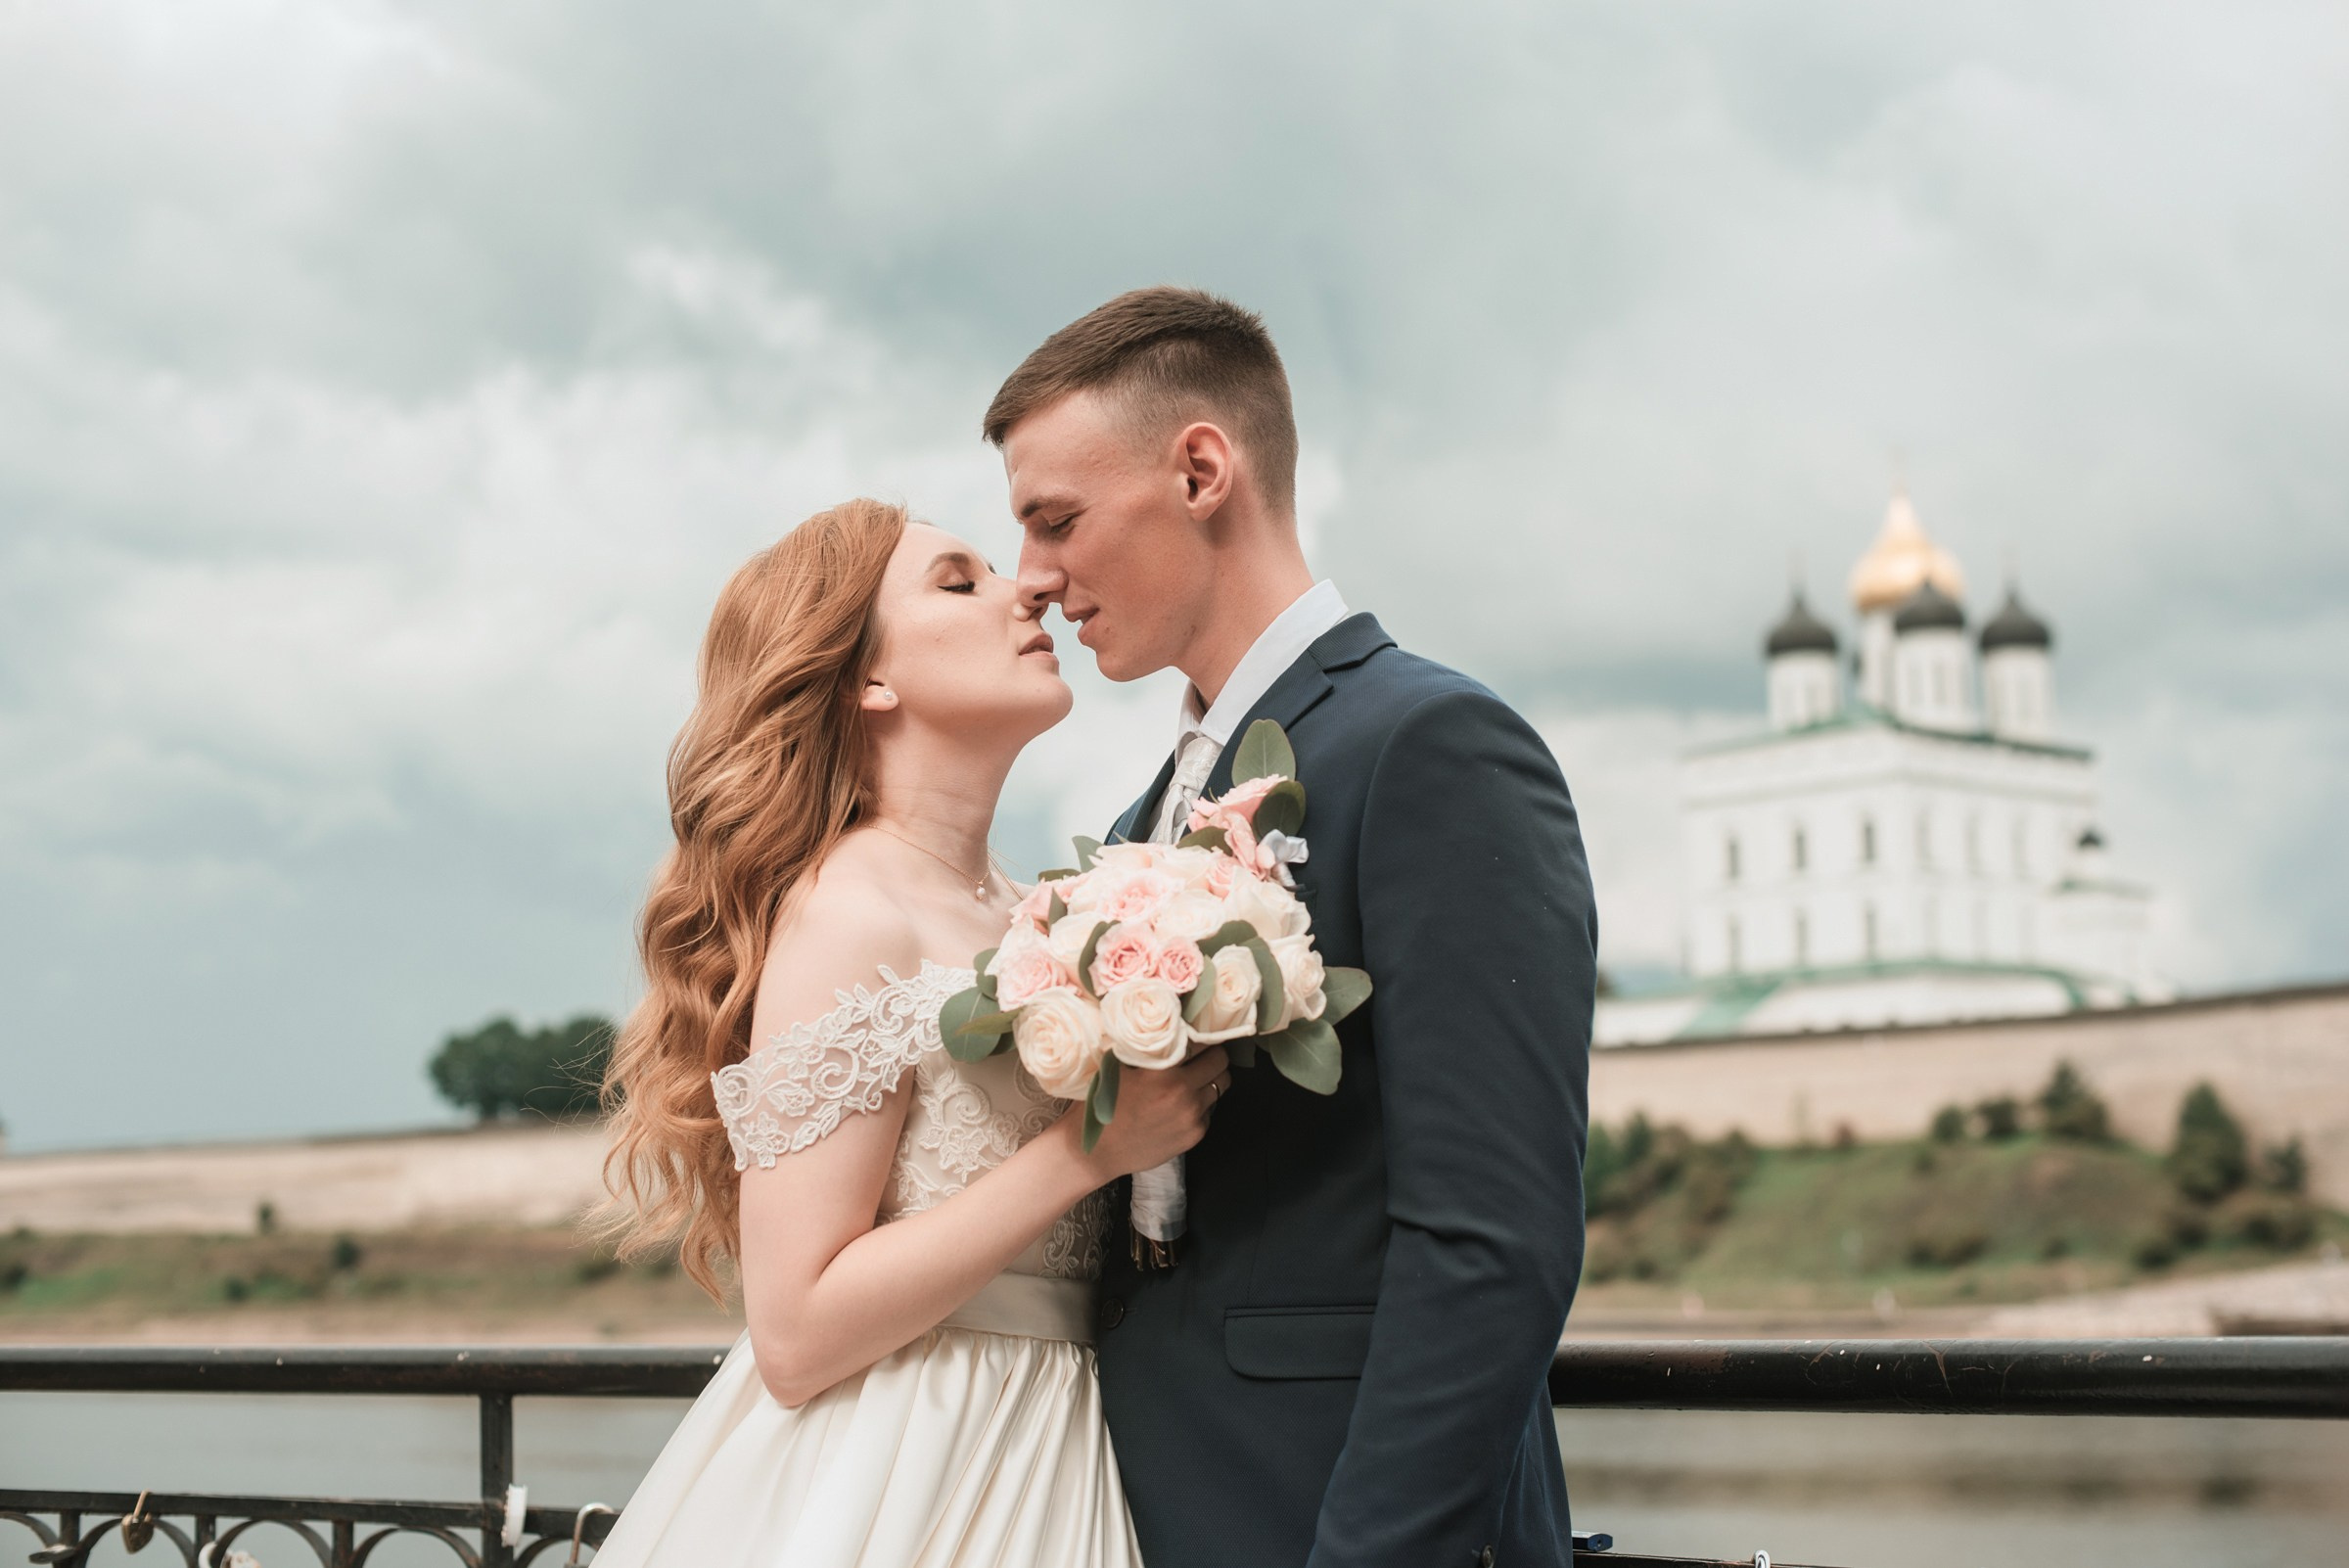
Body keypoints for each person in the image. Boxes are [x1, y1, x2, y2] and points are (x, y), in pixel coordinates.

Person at [990, 288, 1597, 1568]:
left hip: (1331, 1518)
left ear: (1201, 468)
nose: (1034, 578)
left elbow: (1493, 1232)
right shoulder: (1143, 813)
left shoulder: (1431, 745)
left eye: (1057, 521)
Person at [592, 498, 1229, 1568]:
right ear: (870, 682)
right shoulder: (849, 914)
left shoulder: (1042, 914)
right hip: (899, 1470)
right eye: (959, 580)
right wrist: (1089, 1152)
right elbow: (793, 1335)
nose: (1028, 588)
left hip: (1066, 1442)